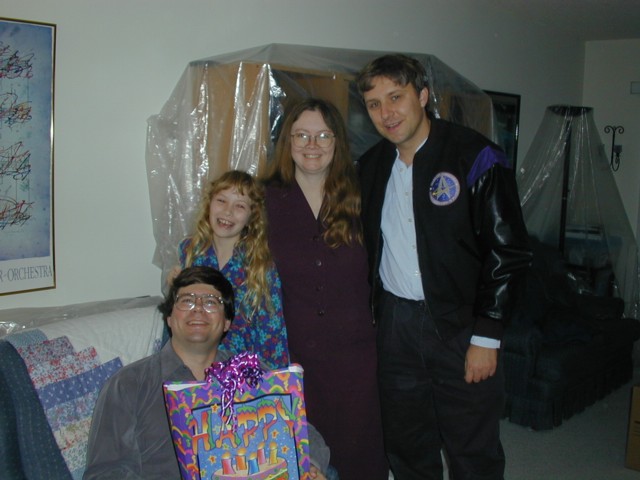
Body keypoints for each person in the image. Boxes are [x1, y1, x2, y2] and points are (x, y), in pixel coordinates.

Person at [355, 53, 532, 480]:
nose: (387, 113)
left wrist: (487, 335)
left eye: (396, 97)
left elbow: (507, 250)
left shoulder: (477, 157)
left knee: (471, 446)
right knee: (407, 443)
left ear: (423, 95)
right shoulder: (371, 167)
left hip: (459, 324)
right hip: (396, 325)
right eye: (375, 104)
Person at [84, 266, 330, 479]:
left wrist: (310, 469)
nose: (198, 308)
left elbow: (310, 438)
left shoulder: (253, 375)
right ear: (169, 317)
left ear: (226, 323)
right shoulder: (129, 385)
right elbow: (105, 472)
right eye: (186, 300)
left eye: (212, 302)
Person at [262, 98, 388, 480]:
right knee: (299, 456)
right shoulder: (264, 199)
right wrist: (187, 269)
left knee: (358, 453)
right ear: (287, 141)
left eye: (322, 135)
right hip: (290, 354)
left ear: (337, 142)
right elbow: (227, 244)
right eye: (301, 134)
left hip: (354, 355)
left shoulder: (363, 196)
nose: (311, 144)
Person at [176, 169, 289, 370]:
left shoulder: (260, 267)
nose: (228, 212)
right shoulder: (189, 252)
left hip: (242, 377)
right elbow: (177, 320)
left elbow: (272, 335)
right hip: (193, 369)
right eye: (221, 201)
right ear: (209, 203)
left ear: (251, 216)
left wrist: (274, 386)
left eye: (239, 206)